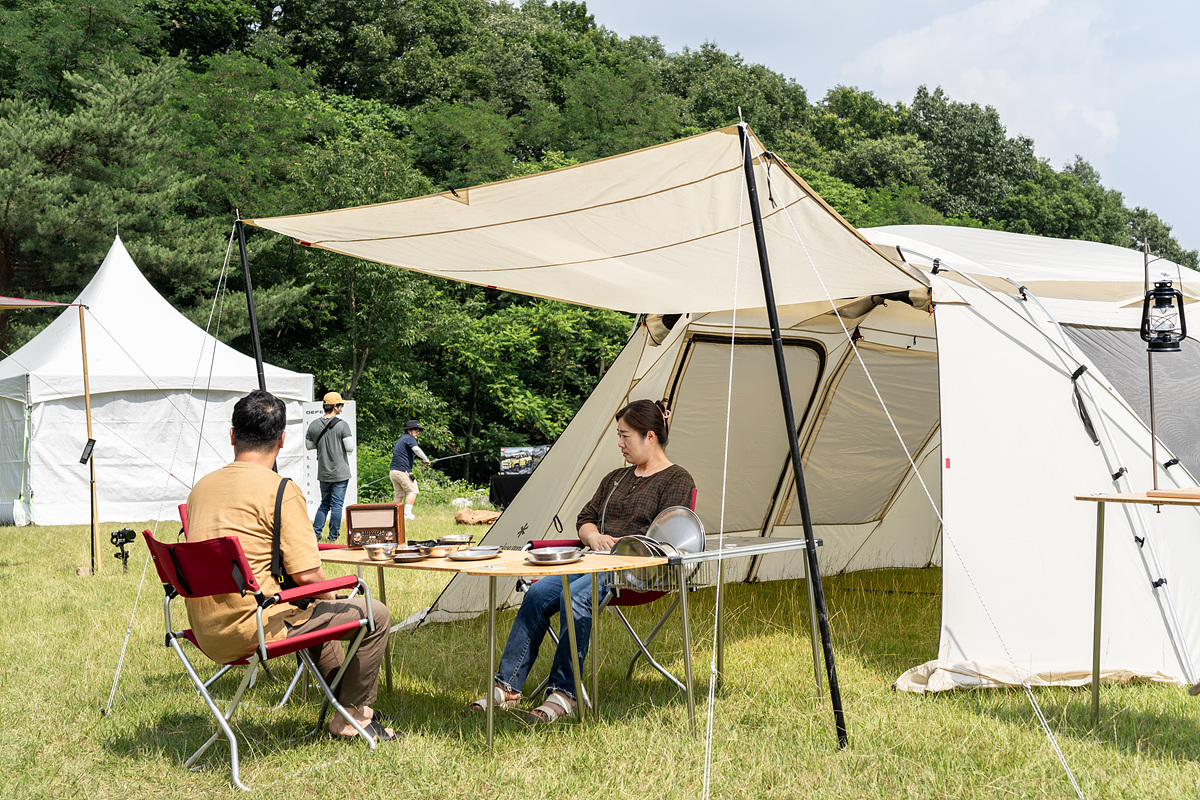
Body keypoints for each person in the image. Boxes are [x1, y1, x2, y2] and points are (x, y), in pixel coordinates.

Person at [185, 389, 396, 741]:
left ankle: (346, 707)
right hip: (253, 628)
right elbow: (308, 574)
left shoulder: (200, 489)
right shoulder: (281, 490)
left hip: (205, 631)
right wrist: (341, 590)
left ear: (233, 436)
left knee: (310, 606)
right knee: (374, 613)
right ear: (282, 440)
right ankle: (354, 715)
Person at [470, 398, 695, 723]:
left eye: (625, 436)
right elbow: (587, 516)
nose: (619, 443)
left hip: (634, 571)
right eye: (618, 435)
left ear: (650, 436)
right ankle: (507, 688)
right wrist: (593, 537)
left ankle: (564, 694)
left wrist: (624, 548)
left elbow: (670, 539)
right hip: (592, 560)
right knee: (536, 594)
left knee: (575, 599)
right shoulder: (616, 478)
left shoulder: (677, 480)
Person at [305, 391, 356, 542]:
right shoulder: (342, 425)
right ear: (335, 406)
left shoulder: (313, 425)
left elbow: (309, 446)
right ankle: (333, 536)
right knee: (337, 506)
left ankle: (315, 534)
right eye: (340, 405)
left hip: (323, 472)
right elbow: (350, 447)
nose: (341, 408)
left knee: (324, 503)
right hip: (340, 472)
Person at [390, 419, 431, 521]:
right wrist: (426, 459)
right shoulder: (410, 438)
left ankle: (392, 515)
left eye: (418, 431)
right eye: (416, 431)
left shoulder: (401, 439)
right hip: (402, 471)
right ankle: (407, 515)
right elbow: (416, 449)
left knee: (399, 495)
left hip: (393, 472)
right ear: (409, 430)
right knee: (413, 491)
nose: (417, 433)